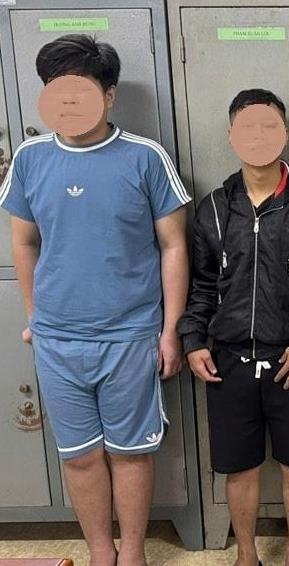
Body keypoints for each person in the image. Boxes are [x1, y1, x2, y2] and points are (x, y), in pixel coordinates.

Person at [0, 35, 190, 566]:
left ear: (108, 95)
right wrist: (35, 316)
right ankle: (101, 553)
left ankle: (133, 554)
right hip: (58, 342)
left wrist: (170, 330)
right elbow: (24, 241)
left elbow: (174, 245)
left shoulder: (145, 157)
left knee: (131, 453)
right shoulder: (31, 158)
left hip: (130, 337)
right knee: (79, 456)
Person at [177, 89, 289, 566]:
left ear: (284, 134)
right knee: (239, 467)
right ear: (231, 135)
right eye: (248, 127)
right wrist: (193, 339)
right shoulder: (214, 207)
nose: (259, 136)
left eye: (270, 126)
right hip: (228, 361)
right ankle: (246, 555)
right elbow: (202, 283)